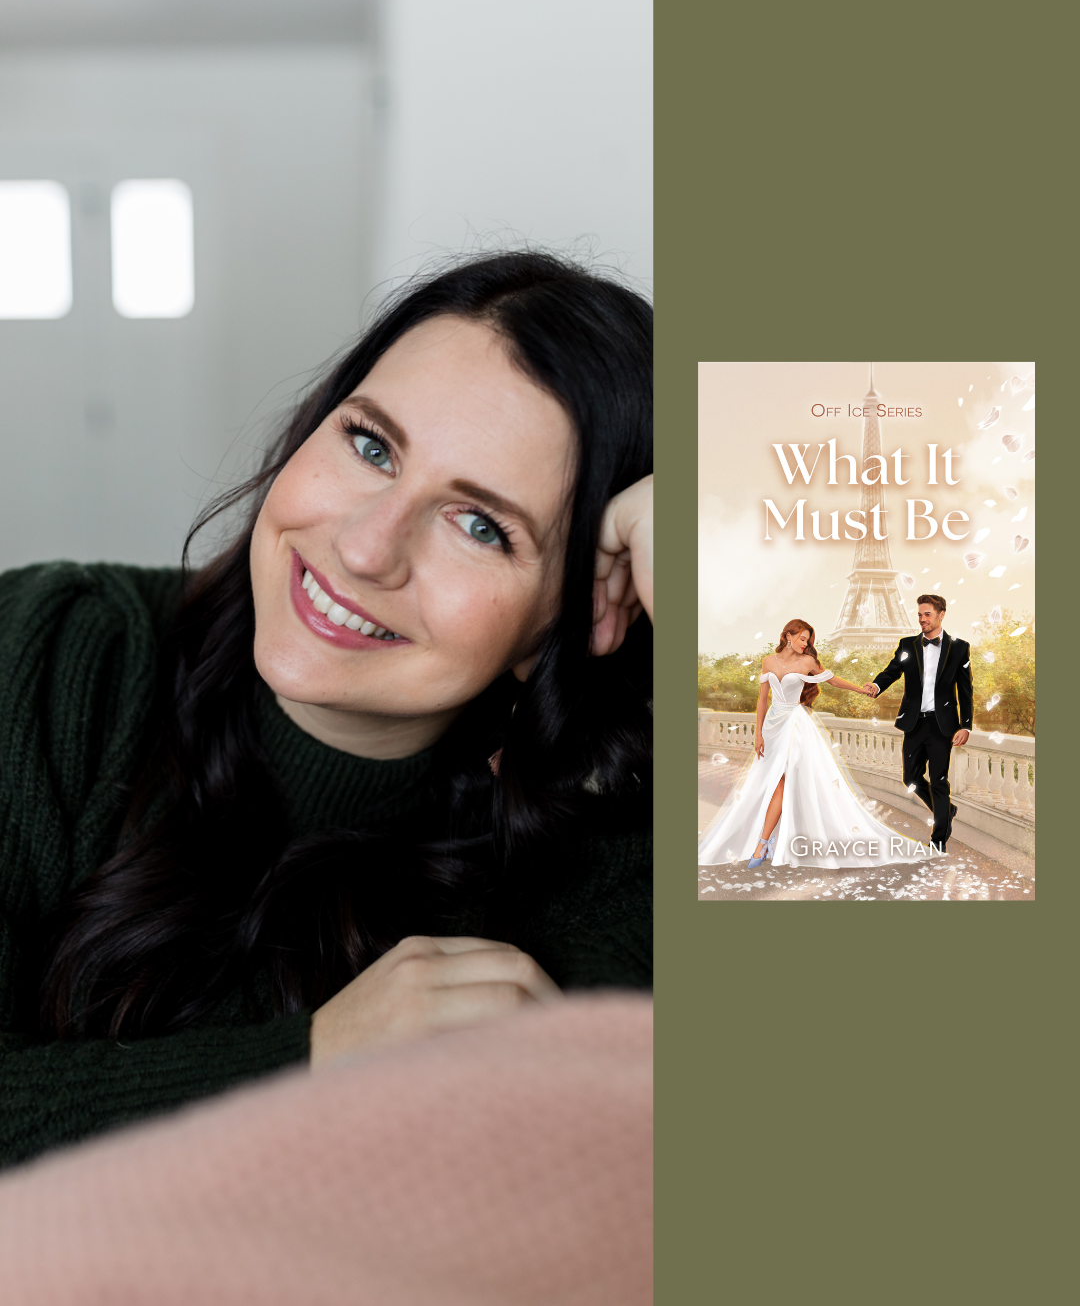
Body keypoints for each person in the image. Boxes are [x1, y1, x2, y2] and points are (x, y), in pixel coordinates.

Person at [0, 251, 653, 1169]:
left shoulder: (607, 849)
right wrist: (310, 1064)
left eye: (480, 526)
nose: (364, 547)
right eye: (371, 445)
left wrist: (731, 575)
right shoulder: (58, 649)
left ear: (575, 618)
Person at [698, 619, 932, 870]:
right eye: (802, 638)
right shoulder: (768, 661)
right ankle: (771, 840)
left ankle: (763, 842)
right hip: (773, 727)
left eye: (808, 639)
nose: (806, 643)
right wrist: (759, 734)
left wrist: (862, 690)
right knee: (774, 784)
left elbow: (832, 680)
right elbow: (762, 700)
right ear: (788, 635)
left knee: (785, 782)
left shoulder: (807, 662)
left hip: (795, 726)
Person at [863, 594, 972, 853]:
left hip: (942, 725)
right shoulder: (908, 644)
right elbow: (892, 670)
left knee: (938, 780)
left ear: (941, 614)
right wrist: (877, 685)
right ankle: (946, 810)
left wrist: (965, 725)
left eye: (927, 614)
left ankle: (939, 840)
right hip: (914, 722)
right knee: (910, 777)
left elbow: (965, 689)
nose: (922, 619)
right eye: (920, 614)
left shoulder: (959, 647)